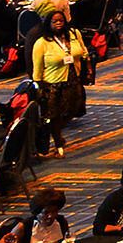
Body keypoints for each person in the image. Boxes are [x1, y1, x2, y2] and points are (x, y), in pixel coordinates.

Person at [29, 9, 87, 157]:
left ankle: (55, 133)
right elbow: (37, 68)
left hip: (74, 80)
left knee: (74, 110)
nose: (58, 23)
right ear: (48, 24)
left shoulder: (74, 34)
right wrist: (38, 86)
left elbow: (83, 51)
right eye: (54, 21)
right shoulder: (41, 43)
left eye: (61, 20)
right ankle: (58, 143)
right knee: (55, 116)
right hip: (53, 84)